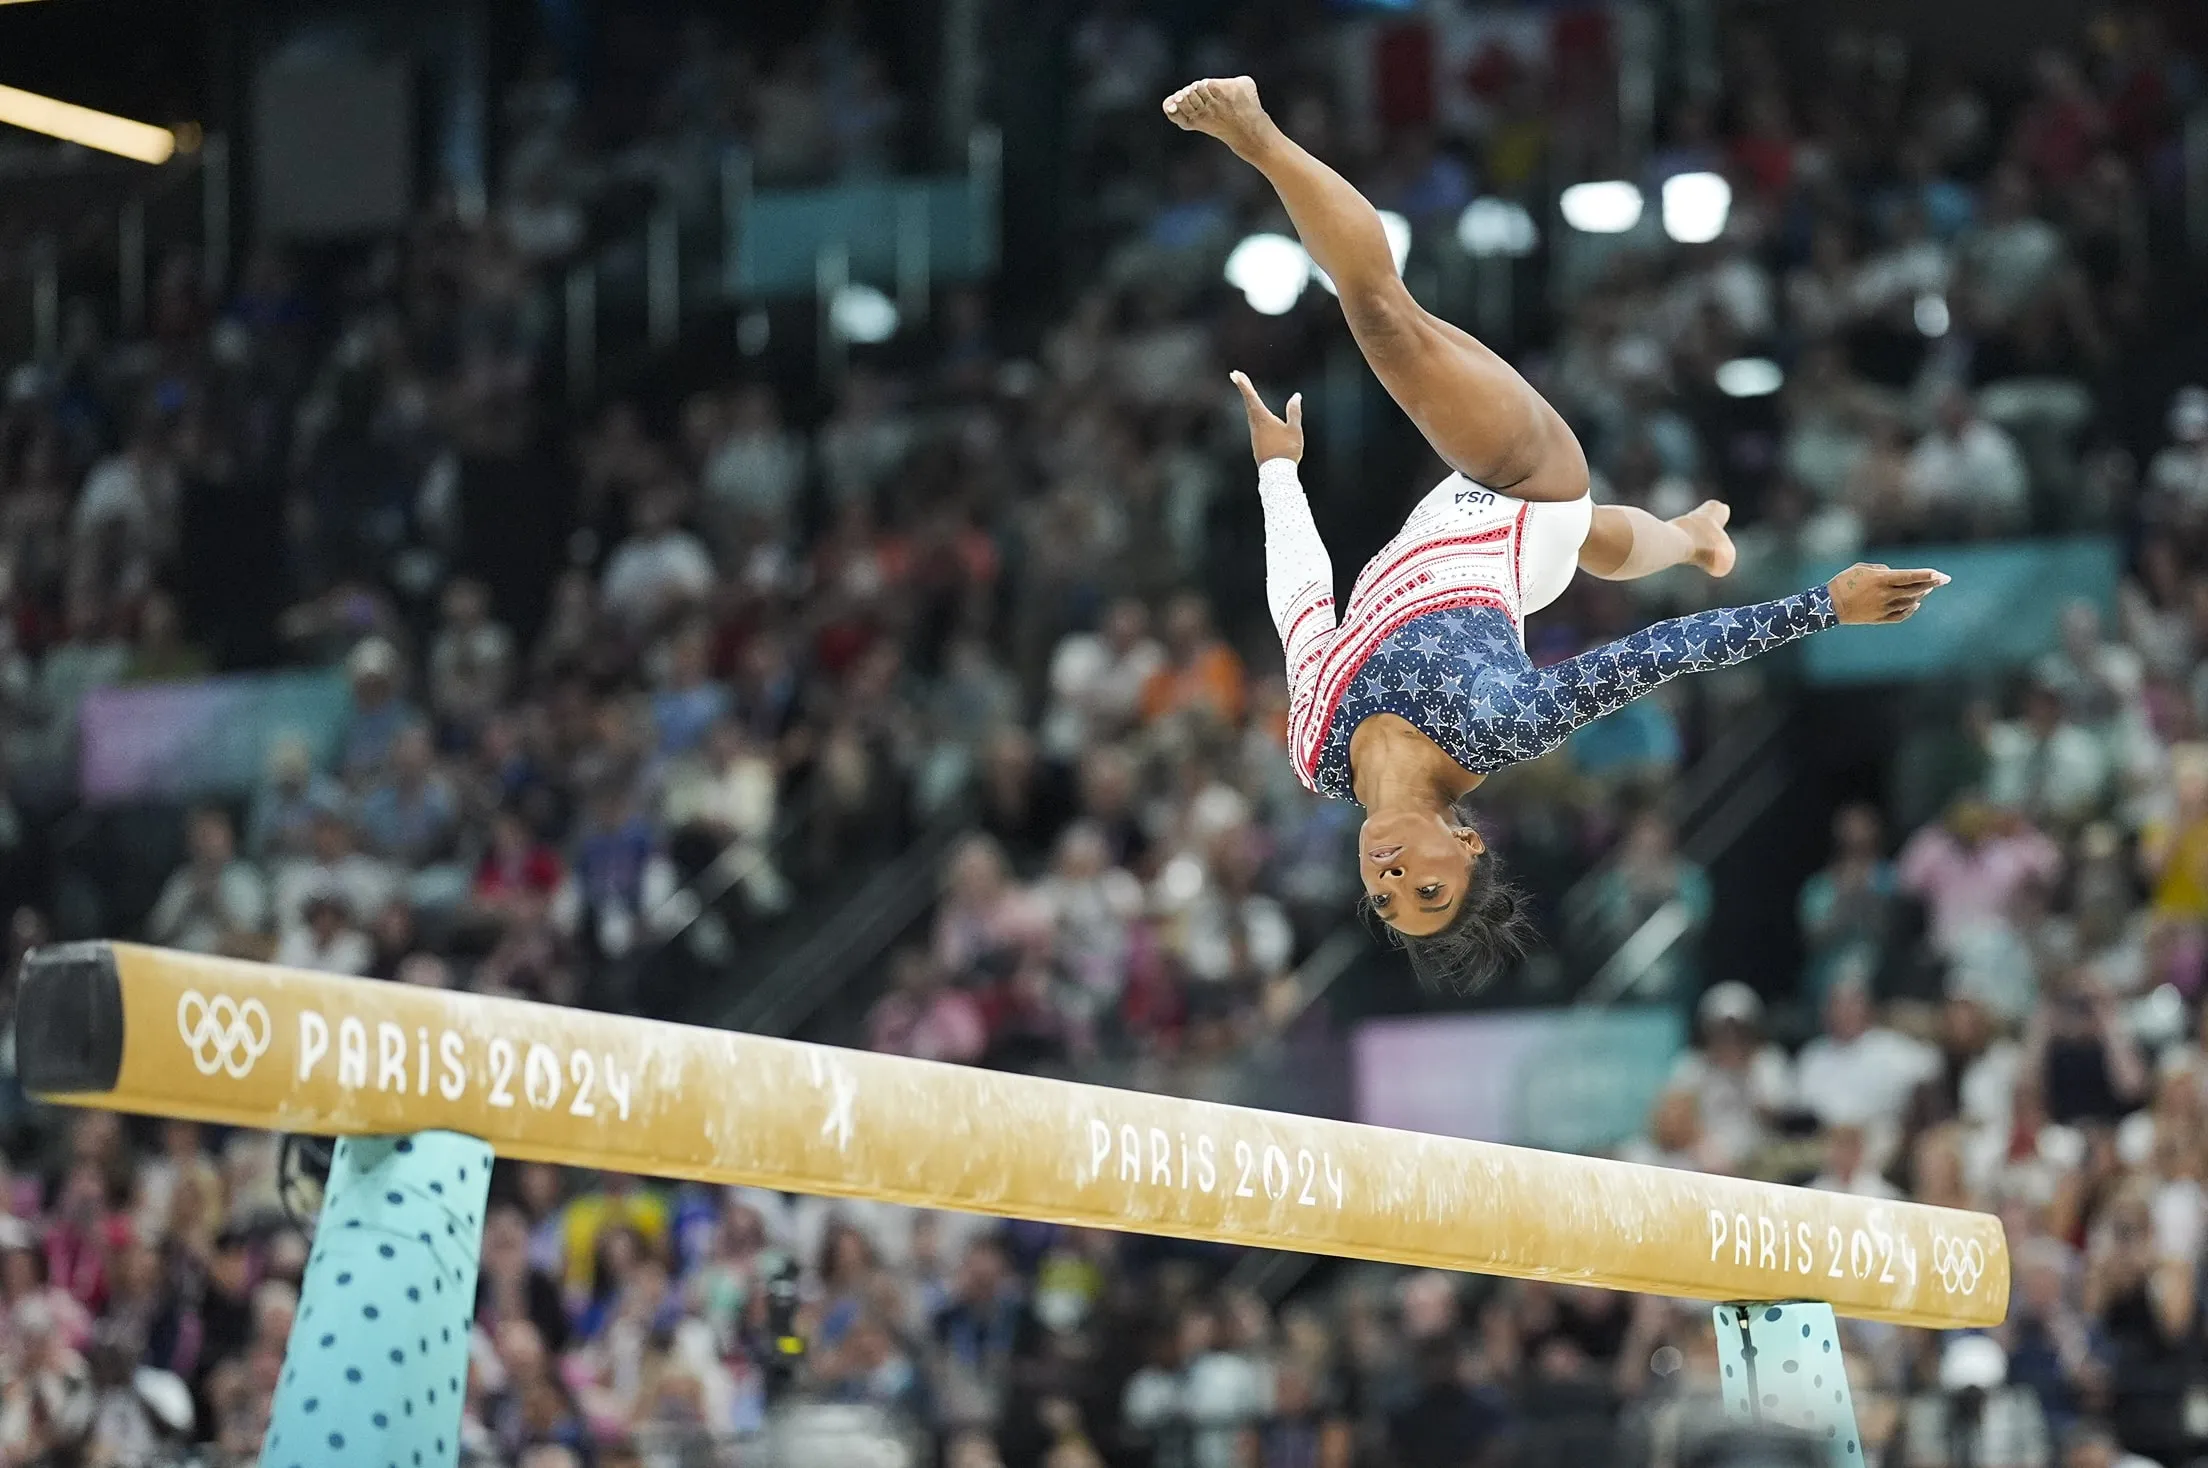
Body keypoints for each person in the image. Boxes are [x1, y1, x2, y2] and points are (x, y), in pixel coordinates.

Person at [1164, 75, 1948, 987]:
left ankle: (1693, 538)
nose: (1392, 880)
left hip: (1516, 554)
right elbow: (1657, 654)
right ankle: (1261, 133)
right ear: (1466, 844)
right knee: (1382, 316)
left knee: (1584, 543)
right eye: (1428, 890)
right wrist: (1826, 604)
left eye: (1388, 902)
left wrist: (1277, 471)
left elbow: (1301, 606)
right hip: (1523, 481)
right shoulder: (1494, 730)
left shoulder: (1315, 752)